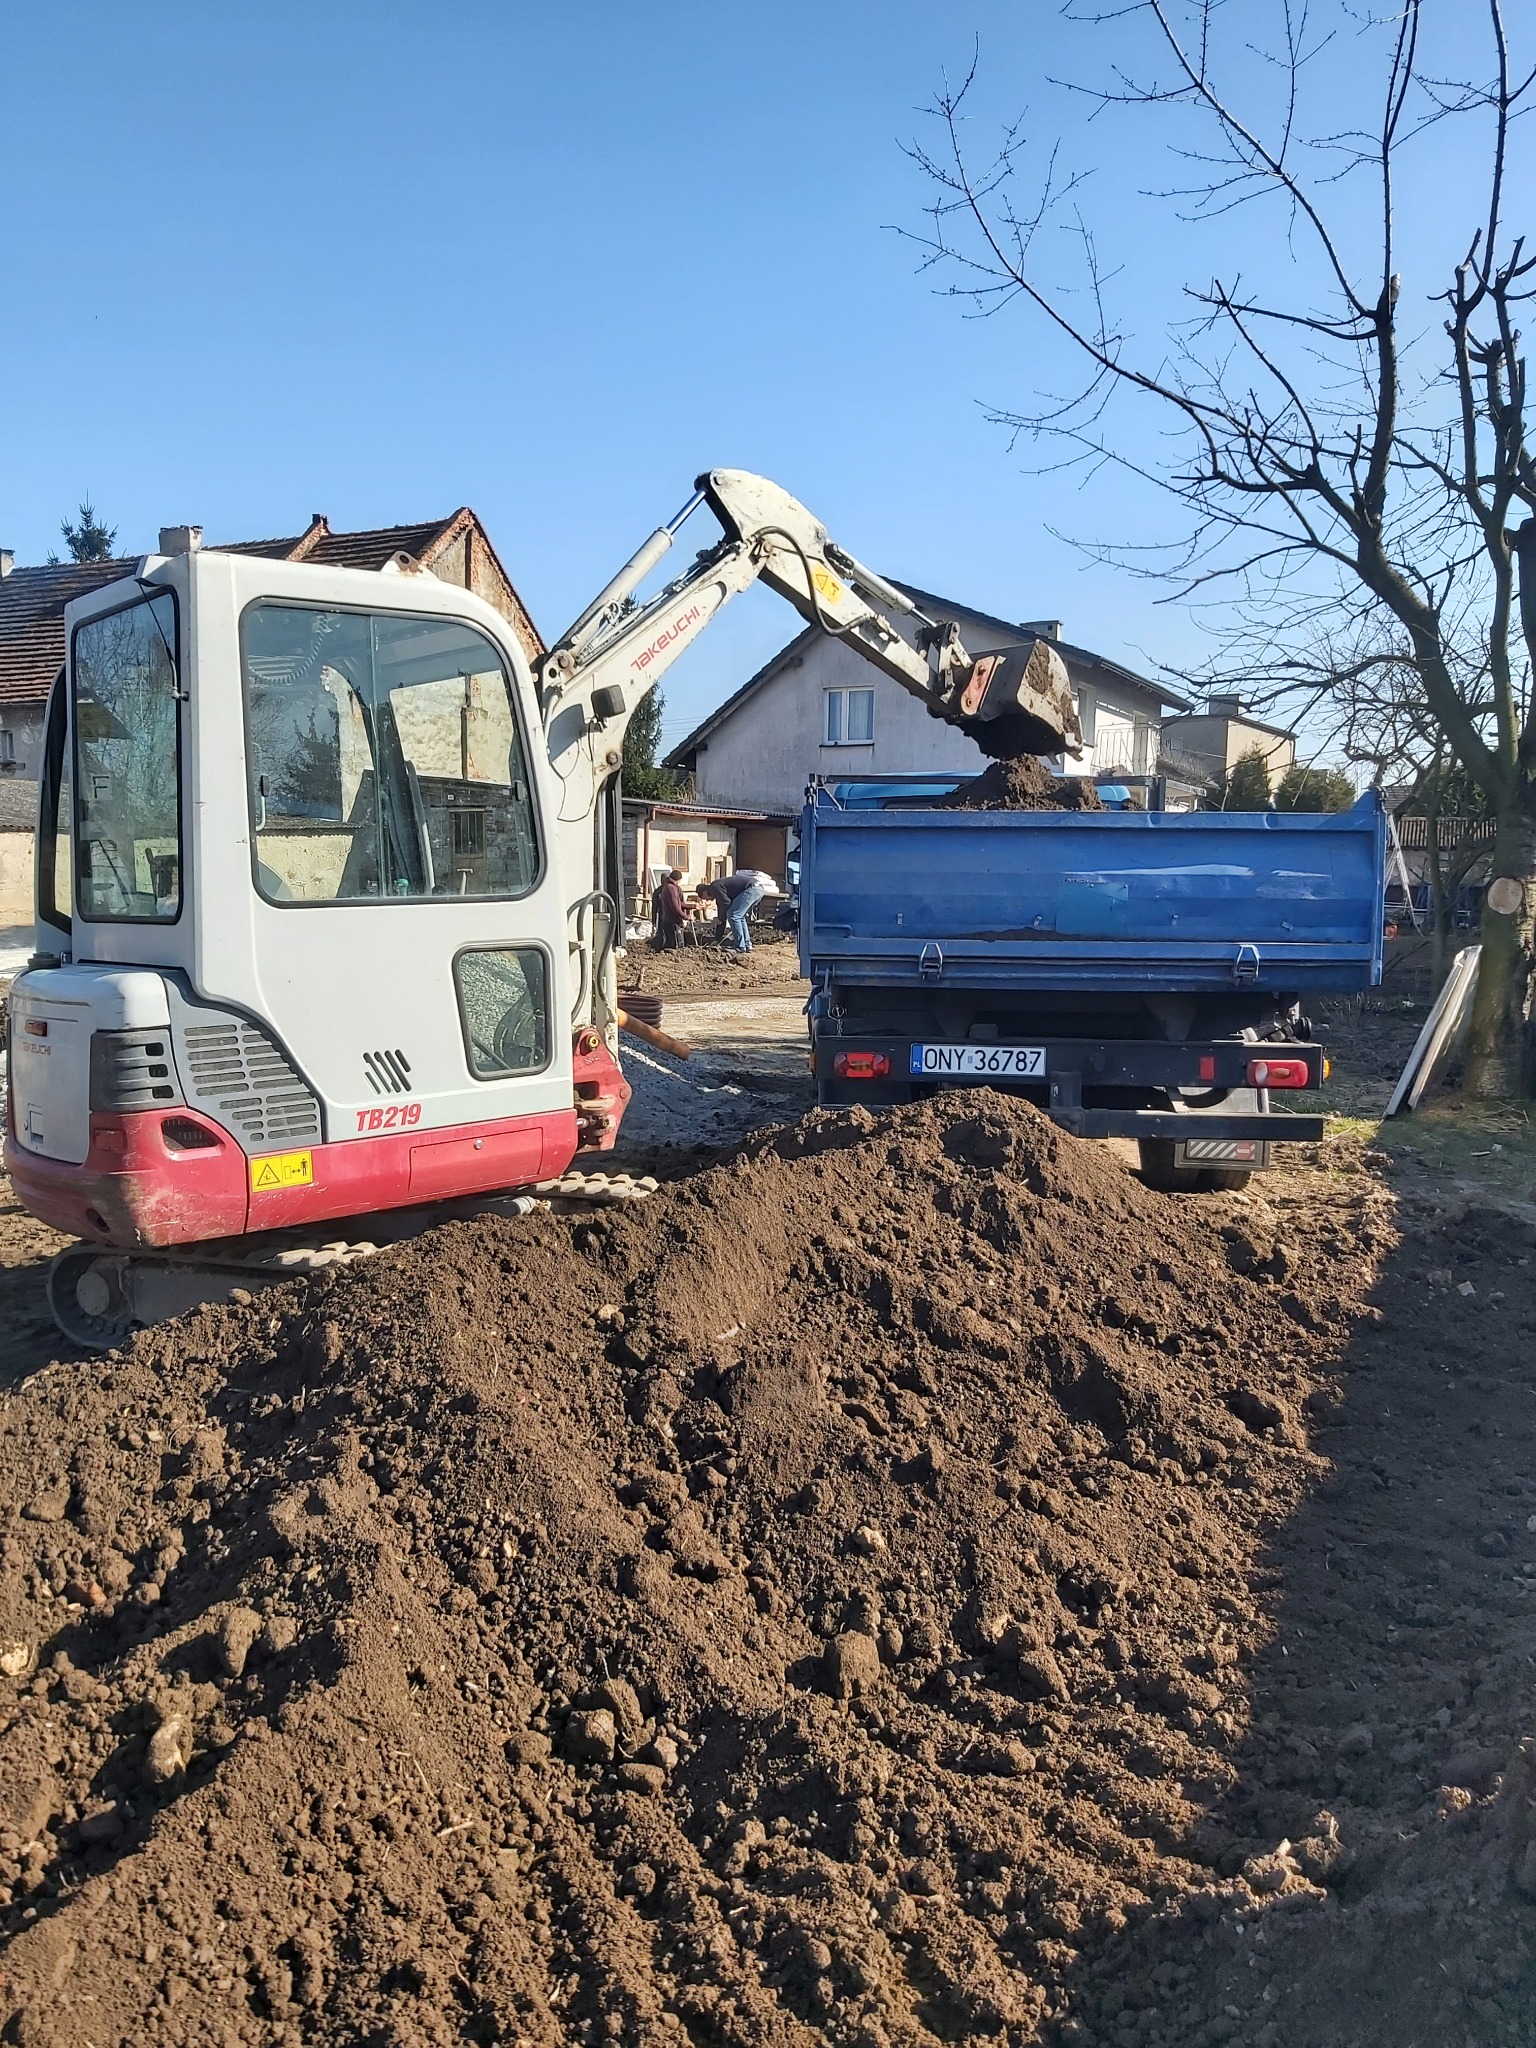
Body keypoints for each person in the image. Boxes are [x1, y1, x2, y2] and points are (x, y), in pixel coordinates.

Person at [706, 868, 776, 953]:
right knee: (739, 916)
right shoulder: (719, 891)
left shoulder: (714, 887)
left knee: (733, 915)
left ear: (704, 892)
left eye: (704, 898)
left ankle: (739, 946)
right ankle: (747, 945)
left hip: (751, 889)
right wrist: (717, 938)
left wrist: (720, 919)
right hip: (759, 889)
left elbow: (726, 904)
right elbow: (723, 911)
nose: (707, 901)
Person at [652, 868, 686, 950]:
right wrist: (653, 923)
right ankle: (662, 949)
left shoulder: (677, 889)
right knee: (663, 935)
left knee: (677, 936)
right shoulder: (658, 892)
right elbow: (654, 908)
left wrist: (684, 918)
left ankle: (678, 949)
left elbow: (681, 904)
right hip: (663, 917)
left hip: (675, 917)